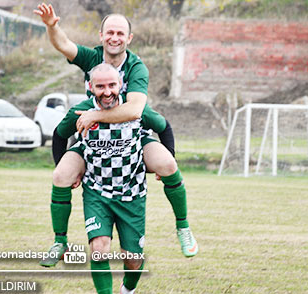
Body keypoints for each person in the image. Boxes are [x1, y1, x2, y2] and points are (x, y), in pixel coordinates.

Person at [34, 3, 197, 266]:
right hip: (93, 140)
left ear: (129, 39)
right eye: (109, 32)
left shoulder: (136, 67)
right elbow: (63, 45)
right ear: (101, 35)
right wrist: (52, 26)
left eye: (120, 33)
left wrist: (95, 115)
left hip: (132, 136)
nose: (114, 38)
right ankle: (59, 241)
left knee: (167, 164)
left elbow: (134, 110)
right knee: (61, 175)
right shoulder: (92, 58)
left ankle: (183, 227)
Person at [58, 64, 153, 294]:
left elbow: (164, 127)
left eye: (112, 85)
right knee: (99, 249)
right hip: (96, 193)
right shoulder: (80, 111)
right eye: (100, 86)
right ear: (90, 87)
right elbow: (59, 134)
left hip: (132, 195)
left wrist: (165, 161)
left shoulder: (136, 110)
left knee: (133, 258)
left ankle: (127, 293)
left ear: (121, 84)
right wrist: (70, 166)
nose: (107, 91)